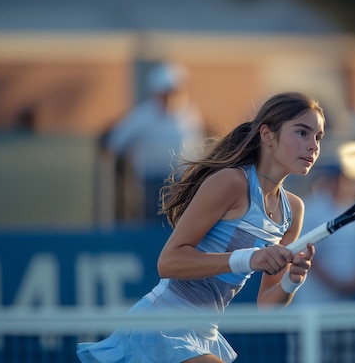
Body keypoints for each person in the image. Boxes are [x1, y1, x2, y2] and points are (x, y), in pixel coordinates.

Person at [77, 91, 326, 362]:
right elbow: (169, 262)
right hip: (161, 324)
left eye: (318, 137)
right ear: (267, 135)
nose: (313, 145)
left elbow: (266, 305)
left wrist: (292, 281)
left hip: (205, 334)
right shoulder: (230, 182)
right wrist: (249, 259)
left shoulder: (293, 210)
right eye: (302, 133)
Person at [290, 141, 355, 363]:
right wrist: (337, 284)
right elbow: (305, 256)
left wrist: (354, 284)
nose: (343, 181)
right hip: (313, 310)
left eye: (346, 176)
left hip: (347, 311)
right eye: (339, 176)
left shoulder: (352, 213)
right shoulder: (311, 209)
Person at [106, 62, 204, 224]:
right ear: (156, 93)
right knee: (154, 222)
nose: (171, 97)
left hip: (183, 181)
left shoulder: (191, 114)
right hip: (151, 182)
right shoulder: (142, 115)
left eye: (175, 92)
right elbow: (115, 144)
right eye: (166, 93)